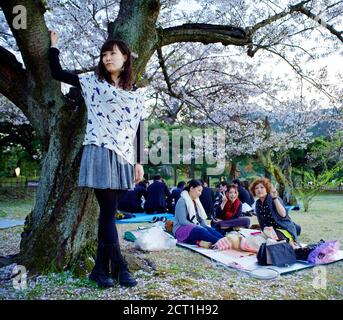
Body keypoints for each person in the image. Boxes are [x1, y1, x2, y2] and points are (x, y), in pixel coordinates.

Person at [49, 31, 145, 288]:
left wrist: (139, 161)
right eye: (104, 54)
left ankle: (100, 270)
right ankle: (121, 267)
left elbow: (139, 128)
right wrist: (54, 46)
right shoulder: (92, 83)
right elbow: (58, 74)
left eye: (112, 53)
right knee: (107, 213)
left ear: (125, 58)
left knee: (109, 213)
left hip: (124, 155)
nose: (107, 58)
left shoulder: (135, 93)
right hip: (100, 150)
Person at [173, 180, 231, 249]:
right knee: (201, 230)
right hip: (180, 229)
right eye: (199, 190)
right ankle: (222, 242)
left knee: (209, 229)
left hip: (193, 227)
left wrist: (204, 227)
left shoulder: (196, 201)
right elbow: (183, 221)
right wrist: (199, 227)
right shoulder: (182, 201)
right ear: (191, 189)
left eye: (201, 191)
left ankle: (226, 240)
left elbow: (201, 221)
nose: (200, 193)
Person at [250, 177, 301, 245]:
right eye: (256, 188)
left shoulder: (273, 198)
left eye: (262, 187)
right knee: (254, 240)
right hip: (269, 231)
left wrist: (275, 198)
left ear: (267, 189)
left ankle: (290, 242)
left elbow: (283, 214)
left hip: (283, 229)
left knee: (270, 242)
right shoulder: (258, 203)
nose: (259, 190)